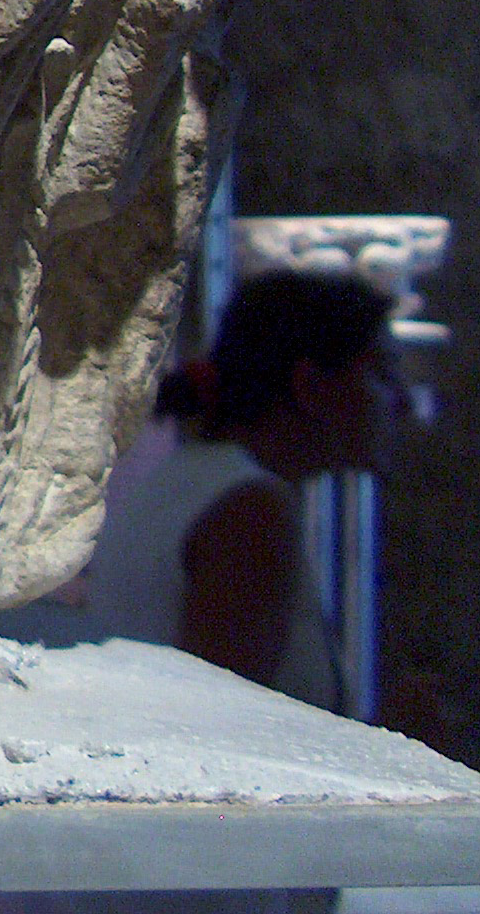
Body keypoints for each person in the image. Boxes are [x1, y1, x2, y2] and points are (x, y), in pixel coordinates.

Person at [81, 269, 396, 707]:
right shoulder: (249, 511)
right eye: (381, 375)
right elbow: (225, 720)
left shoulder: (189, 479)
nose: (400, 401)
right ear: (310, 385)